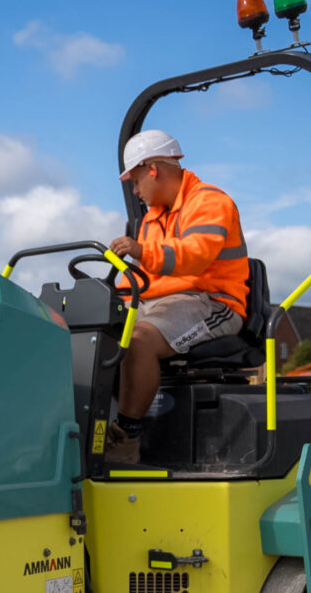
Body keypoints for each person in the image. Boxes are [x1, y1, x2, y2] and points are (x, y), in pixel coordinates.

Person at [104, 128, 250, 463]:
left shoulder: (210, 202)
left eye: (135, 181)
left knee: (138, 340)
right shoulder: (152, 218)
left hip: (212, 302)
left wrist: (141, 251)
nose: (135, 190)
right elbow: (140, 280)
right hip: (161, 304)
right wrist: (112, 305)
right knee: (100, 335)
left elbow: (194, 255)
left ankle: (126, 439)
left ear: (153, 169)